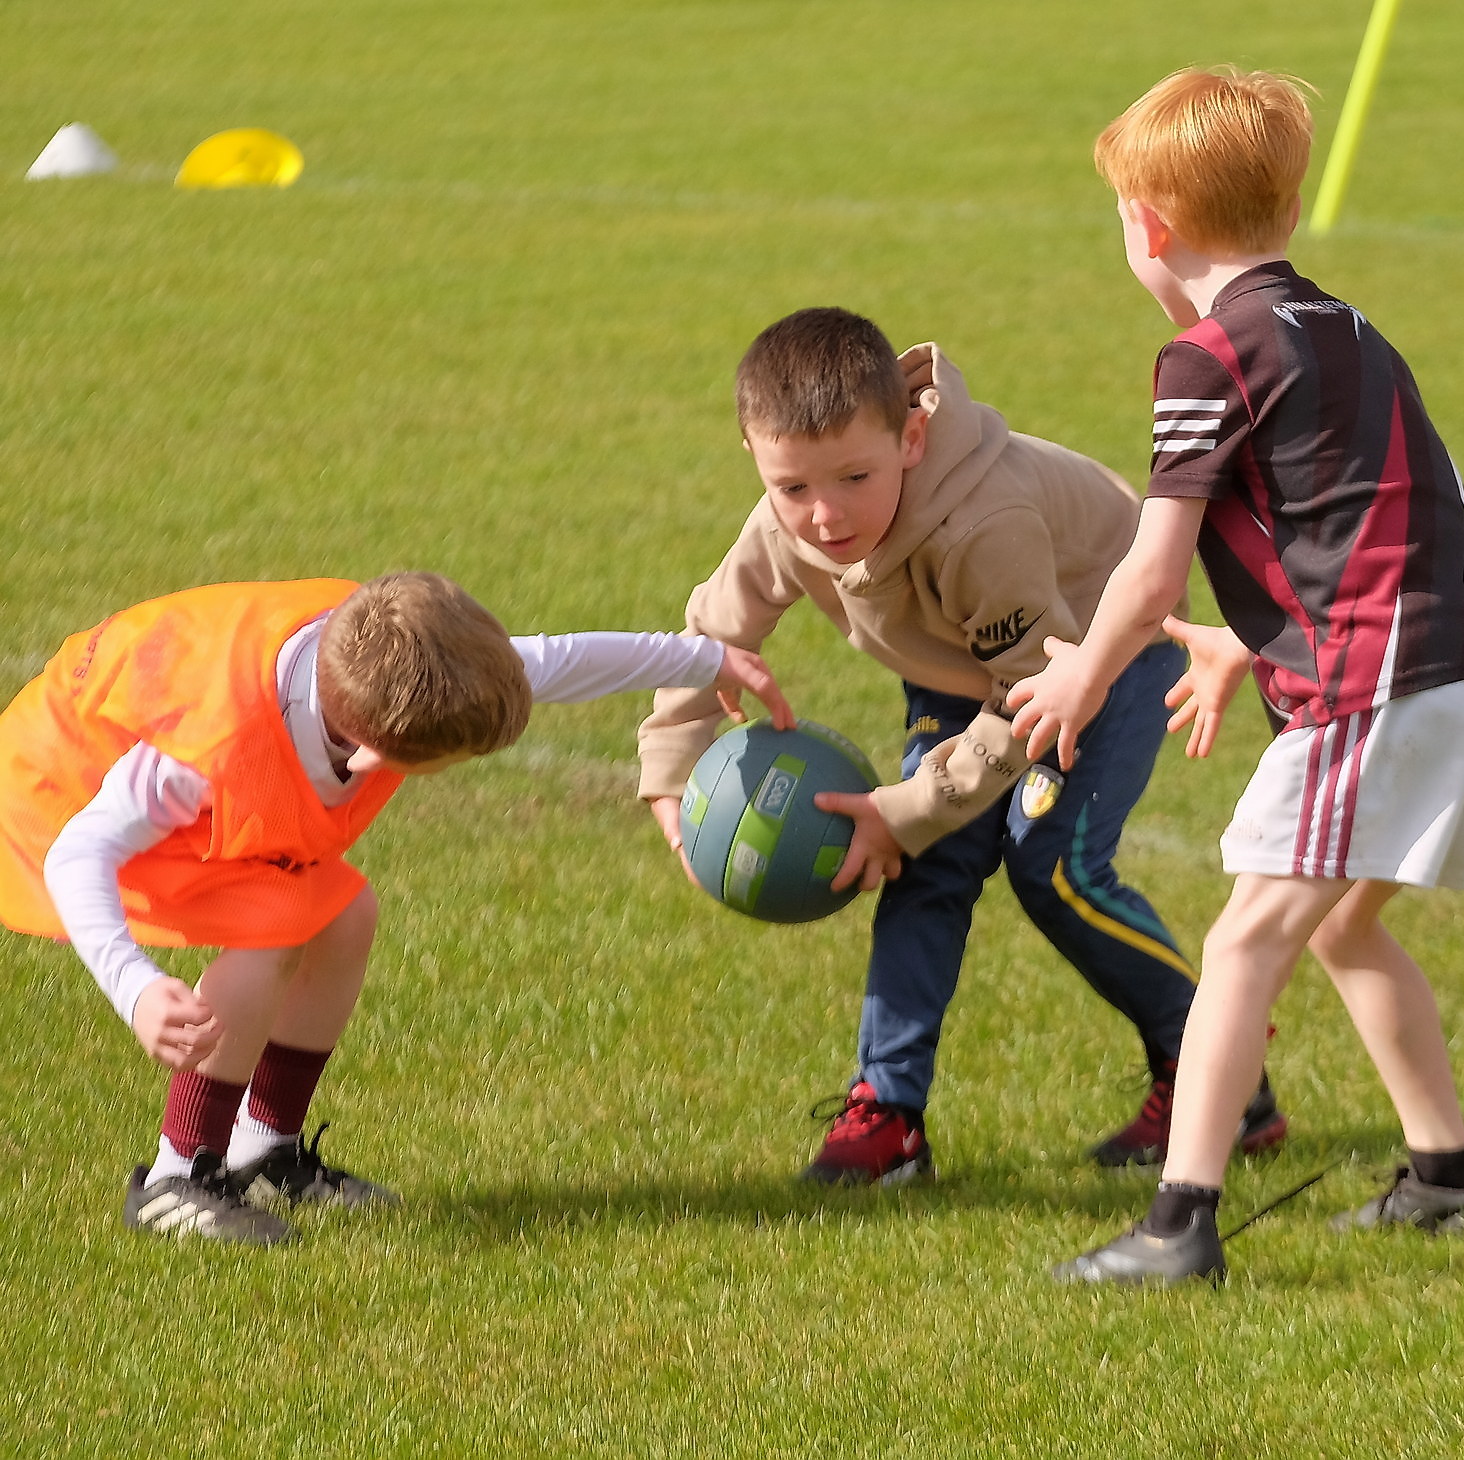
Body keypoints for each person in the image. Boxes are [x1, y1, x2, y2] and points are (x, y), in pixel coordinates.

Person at [1007, 66, 1464, 1284]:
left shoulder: (1201, 357)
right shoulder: (1346, 326)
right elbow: (1369, 512)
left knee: (1247, 936)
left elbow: (1147, 576)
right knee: (1345, 929)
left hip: (1383, 685)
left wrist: (1082, 679)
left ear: (1149, 225)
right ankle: (1452, 1180)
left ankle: (1178, 1224)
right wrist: (1250, 640)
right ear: (1287, 215)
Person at [637, 306, 1287, 1185]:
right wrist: (672, 781)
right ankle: (889, 1117)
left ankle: (1218, 1068)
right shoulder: (786, 524)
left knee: (1054, 867)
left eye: (852, 477)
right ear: (757, 458)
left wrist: (903, 808)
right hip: (968, 668)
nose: (823, 517)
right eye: (792, 488)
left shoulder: (983, 524)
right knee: (924, 861)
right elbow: (709, 637)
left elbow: (1032, 697)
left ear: (911, 437)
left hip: (1097, 651)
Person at [0, 572, 789, 1245]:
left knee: (347, 913)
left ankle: (262, 1153)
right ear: (374, 756)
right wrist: (135, 986)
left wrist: (708, 658)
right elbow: (80, 854)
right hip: (54, 804)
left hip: (153, 788)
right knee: (283, 926)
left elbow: (554, 659)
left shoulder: (403, 666)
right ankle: (176, 1179)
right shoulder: (203, 757)